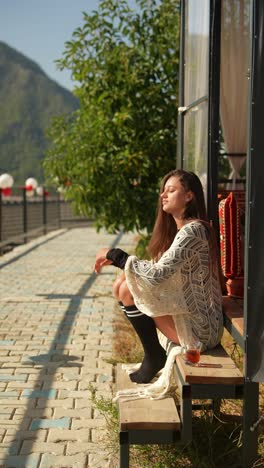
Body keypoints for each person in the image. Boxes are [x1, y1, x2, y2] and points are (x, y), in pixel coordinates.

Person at [94, 169, 223, 385]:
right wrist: (119, 263)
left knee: (126, 289)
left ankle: (154, 356)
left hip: (202, 331)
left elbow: (155, 275)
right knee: (121, 284)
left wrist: (115, 255)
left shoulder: (193, 231)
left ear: (189, 196)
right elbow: (158, 272)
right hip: (192, 318)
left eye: (171, 190)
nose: (163, 195)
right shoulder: (180, 230)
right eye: (163, 191)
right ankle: (153, 355)